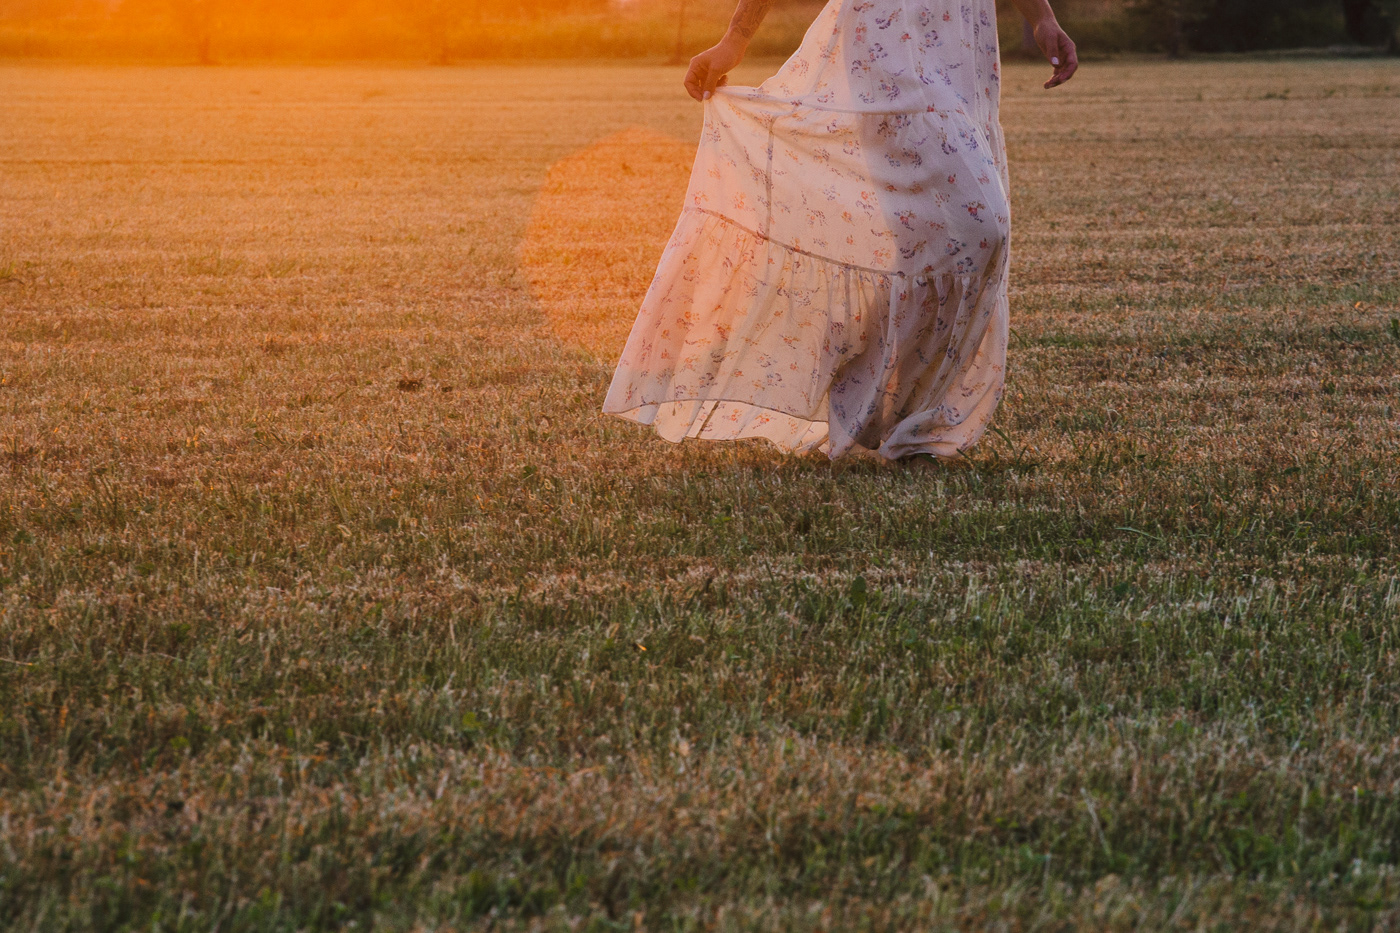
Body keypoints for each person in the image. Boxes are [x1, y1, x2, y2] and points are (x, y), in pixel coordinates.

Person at [603, 0, 1077, 464]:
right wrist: (735, 39)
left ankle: (898, 413)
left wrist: (1043, 18)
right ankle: (892, 405)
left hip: (959, 44)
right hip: (883, 37)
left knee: (938, 241)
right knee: (982, 229)